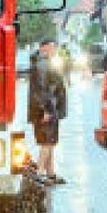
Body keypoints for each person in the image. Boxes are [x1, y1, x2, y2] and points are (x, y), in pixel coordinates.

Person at [27, 38, 67, 185]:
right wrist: (46, 110)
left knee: (50, 141)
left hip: (49, 108)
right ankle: (39, 172)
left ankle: (50, 173)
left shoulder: (43, 63)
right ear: (43, 48)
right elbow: (43, 90)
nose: (55, 50)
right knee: (47, 142)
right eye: (52, 47)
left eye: (55, 47)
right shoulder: (43, 64)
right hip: (46, 109)